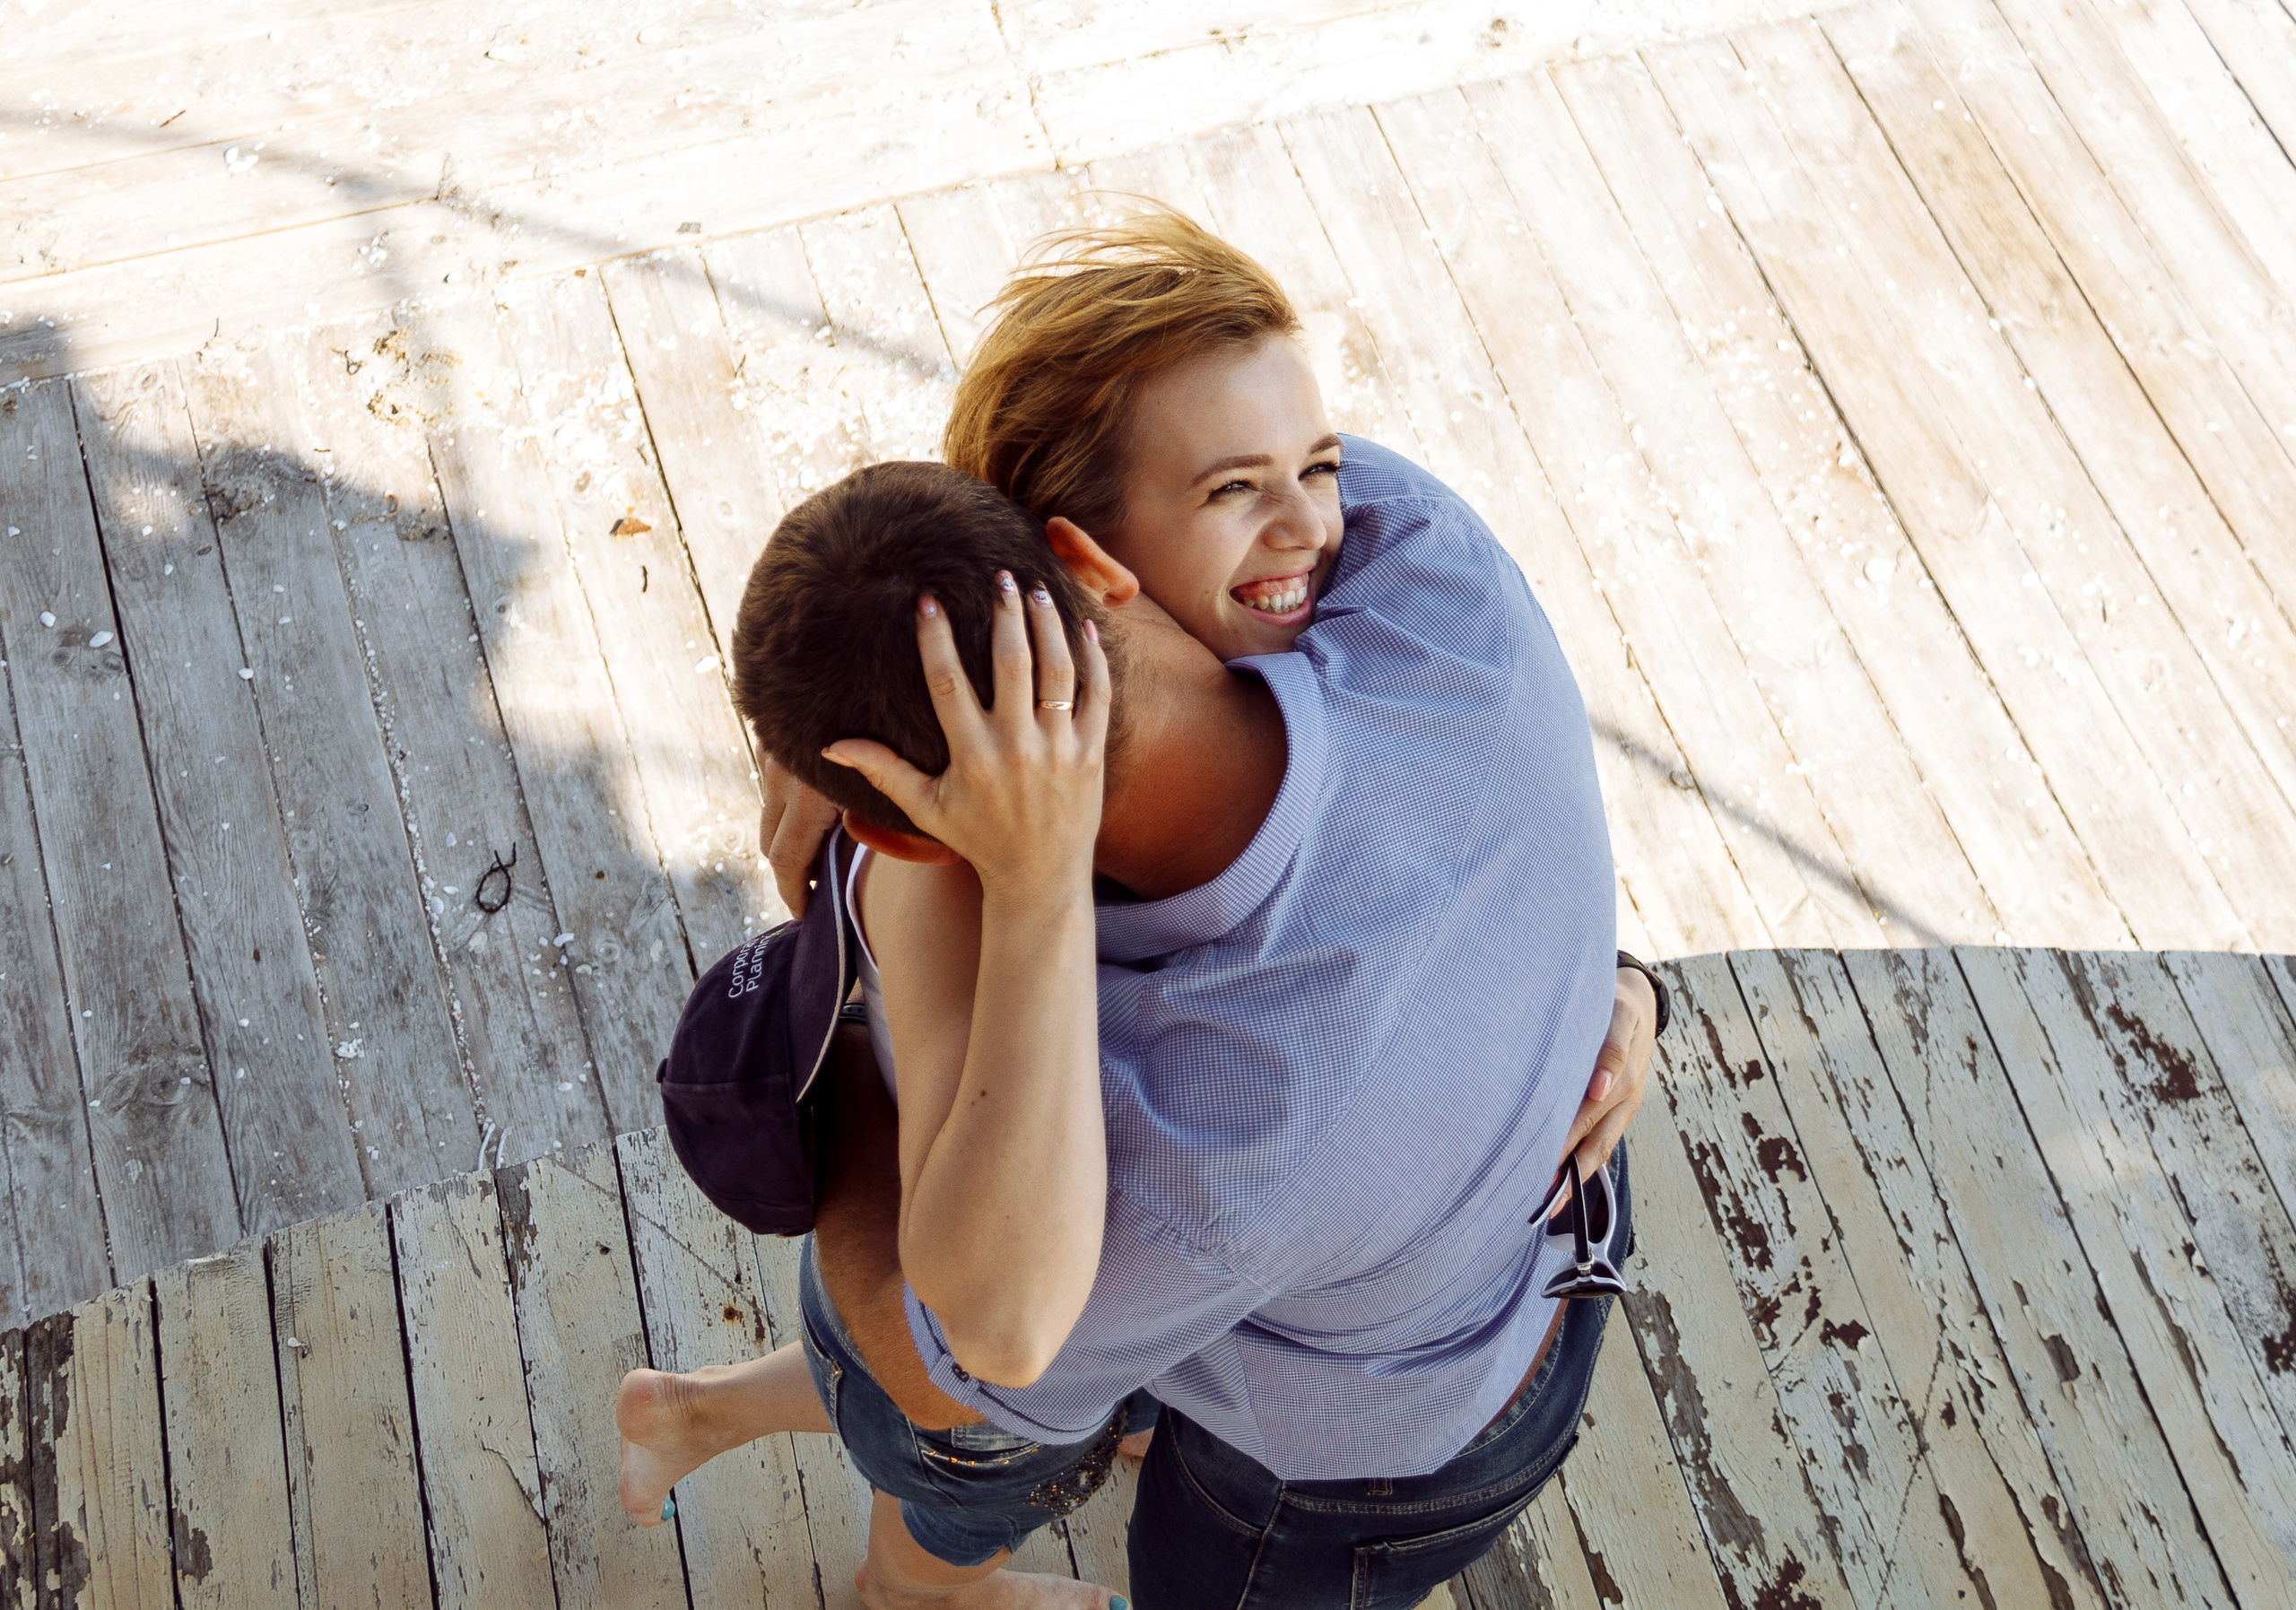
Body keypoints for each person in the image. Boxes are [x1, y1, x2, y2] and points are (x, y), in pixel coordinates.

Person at [619, 213, 1658, 1609]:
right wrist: (1625, 981)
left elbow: (946, 1370)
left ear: (899, 833)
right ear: (1094, 567)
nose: (1301, 515)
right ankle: (715, 1415)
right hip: (1520, 1212)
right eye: (1239, 487)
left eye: (1302, 470)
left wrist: (863, 1043)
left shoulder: (1202, 1154)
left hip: (1358, 1459)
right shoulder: (1415, 552)